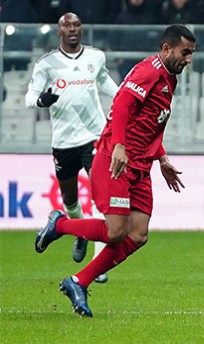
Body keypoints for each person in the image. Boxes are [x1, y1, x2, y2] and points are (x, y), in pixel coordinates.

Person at [34, 24, 196, 317]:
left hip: (141, 165)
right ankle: (59, 224)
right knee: (115, 232)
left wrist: (161, 157)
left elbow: (149, 122)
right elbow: (121, 104)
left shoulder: (169, 78)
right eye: (185, 53)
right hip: (115, 161)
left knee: (138, 235)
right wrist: (119, 146)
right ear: (167, 49)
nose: (188, 59)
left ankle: (78, 281)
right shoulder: (148, 72)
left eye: (191, 54)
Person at [25, 12, 119, 283]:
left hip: (95, 138)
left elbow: (103, 81)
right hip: (64, 141)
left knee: (102, 199)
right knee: (69, 201)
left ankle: (98, 264)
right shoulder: (47, 63)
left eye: (77, 24)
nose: (73, 28)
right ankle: (80, 233)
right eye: (67, 25)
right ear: (59, 32)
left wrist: (125, 95)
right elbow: (30, 96)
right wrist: (42, 100)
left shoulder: (95, 56)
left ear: (81, 29)